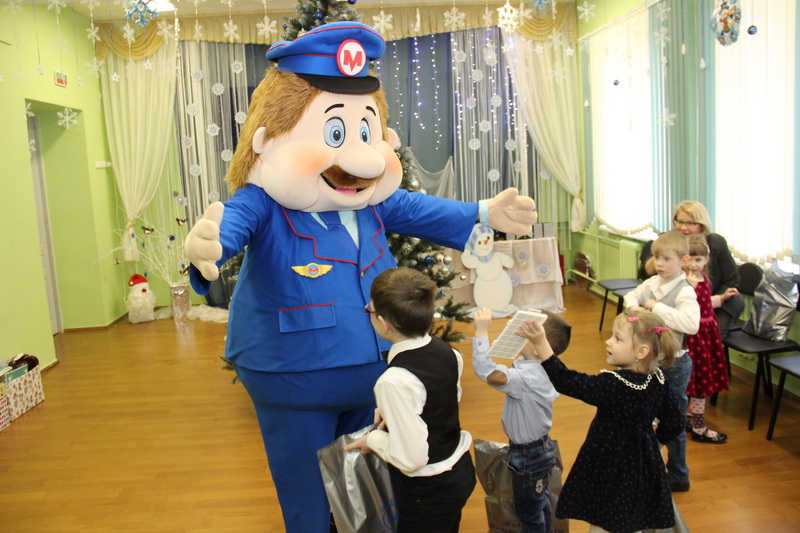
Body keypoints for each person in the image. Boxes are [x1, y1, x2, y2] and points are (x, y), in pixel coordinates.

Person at [183, 22, 536, 533]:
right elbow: (230, 225)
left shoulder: (372, 201)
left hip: (374, 369)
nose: (361, 156)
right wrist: (209, 247)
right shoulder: (264, 201)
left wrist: (484, 212)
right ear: (266, 141)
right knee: (307, 490)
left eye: (366, 133)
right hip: (295, 374)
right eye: (334, 133)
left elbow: (420, 209)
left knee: (362, 480)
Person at [515, 310, 684, 533]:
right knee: (632, 516)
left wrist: (541, 343)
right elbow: (675, 422)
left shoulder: (614, 384)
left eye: (618, 338)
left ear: (641, 351)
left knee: (606, 520)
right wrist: (654, 445)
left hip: (609, 466)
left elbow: (567, 381)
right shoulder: (658, 379)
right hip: (643, 466)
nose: (608, 341)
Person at [344, 267, 476, 533]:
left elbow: (412, 459)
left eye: (370, 310)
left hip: (428, 491)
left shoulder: (392, 381)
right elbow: (439, 401)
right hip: (459, 469)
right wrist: (393, 411)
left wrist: (373, 440)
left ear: (385, 323)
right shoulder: (448, 352)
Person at [471, 307, 572, 533]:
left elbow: (488, 373)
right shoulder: (543, 369)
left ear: (537, 348)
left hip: (528, 456)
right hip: (540, 449)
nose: (518, 331)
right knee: (539, 503)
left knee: (528, 513)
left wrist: (481, 332)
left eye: (527, 331)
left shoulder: (528, 378)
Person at [625, 230, 700, 493]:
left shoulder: (684, 291)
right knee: (646, 415)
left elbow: (691, 324)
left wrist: (655, 307)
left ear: (684, 261)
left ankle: (678, 474)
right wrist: (634, 307)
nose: (660, 263)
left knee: (673, 422)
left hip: (674, 366)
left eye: (667, 259)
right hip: (652, 363)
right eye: (657, 257)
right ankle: (648, 468)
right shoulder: (653, 282)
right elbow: (632, 296)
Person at [639, 200, 743, 337]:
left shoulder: (716, 243)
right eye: (680, 222)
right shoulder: (669, 241)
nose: (683, 227)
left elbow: (731, 281)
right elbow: (644, 274)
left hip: (715, 301)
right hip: (677, 302)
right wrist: (664, 250)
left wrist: (707, 301)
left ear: (702, 225)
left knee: (710, 332)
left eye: (690, 223)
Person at [684, 234, 732, 444]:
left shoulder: (704, 279)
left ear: (706, 260)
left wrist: (721, 298)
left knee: (700, 381)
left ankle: (691, 420)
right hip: (693, 337)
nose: (693, 264)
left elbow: (704, 302)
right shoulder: (685, 282)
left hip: (706, 336)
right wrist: (689, 287)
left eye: (698, 260)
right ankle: (698, 426)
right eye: (689, 259)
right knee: (695, 382)